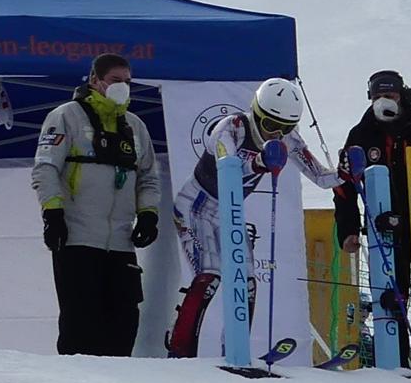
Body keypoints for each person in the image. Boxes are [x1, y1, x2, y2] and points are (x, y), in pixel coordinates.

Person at [167, 78, 342, 358]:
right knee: (209, 276)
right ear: (255, 113)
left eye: (285, 128)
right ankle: (180, 348)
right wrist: (258, 163)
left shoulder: (288, 138)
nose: (276, 134)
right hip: (195, 206)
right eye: (270, 125)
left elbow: (321, 177)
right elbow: (228, 166)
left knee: (246, 282)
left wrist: (343, 172)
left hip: (229, 212)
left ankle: (235, 352)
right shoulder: (232, 128)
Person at [31, 53, 161, 357]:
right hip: (77, 239)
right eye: (116, 81)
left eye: (128, 82)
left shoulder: (135, 126)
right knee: (80, 327)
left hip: (120, 243)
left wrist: (148, 215)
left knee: (124, 323)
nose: (123, 88)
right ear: (94, 80)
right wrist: (53, 214)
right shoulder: (66, 116)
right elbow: (45, 168)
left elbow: (149, 178)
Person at [332, 70, 411, 367]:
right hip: (383, 231)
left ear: (402, 96)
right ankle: (394, 364)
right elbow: (344, 187)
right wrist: (348, 230)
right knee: (390, 297)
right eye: (378, 96)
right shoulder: (360, 135)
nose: (385, 101)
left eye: (391, 95)